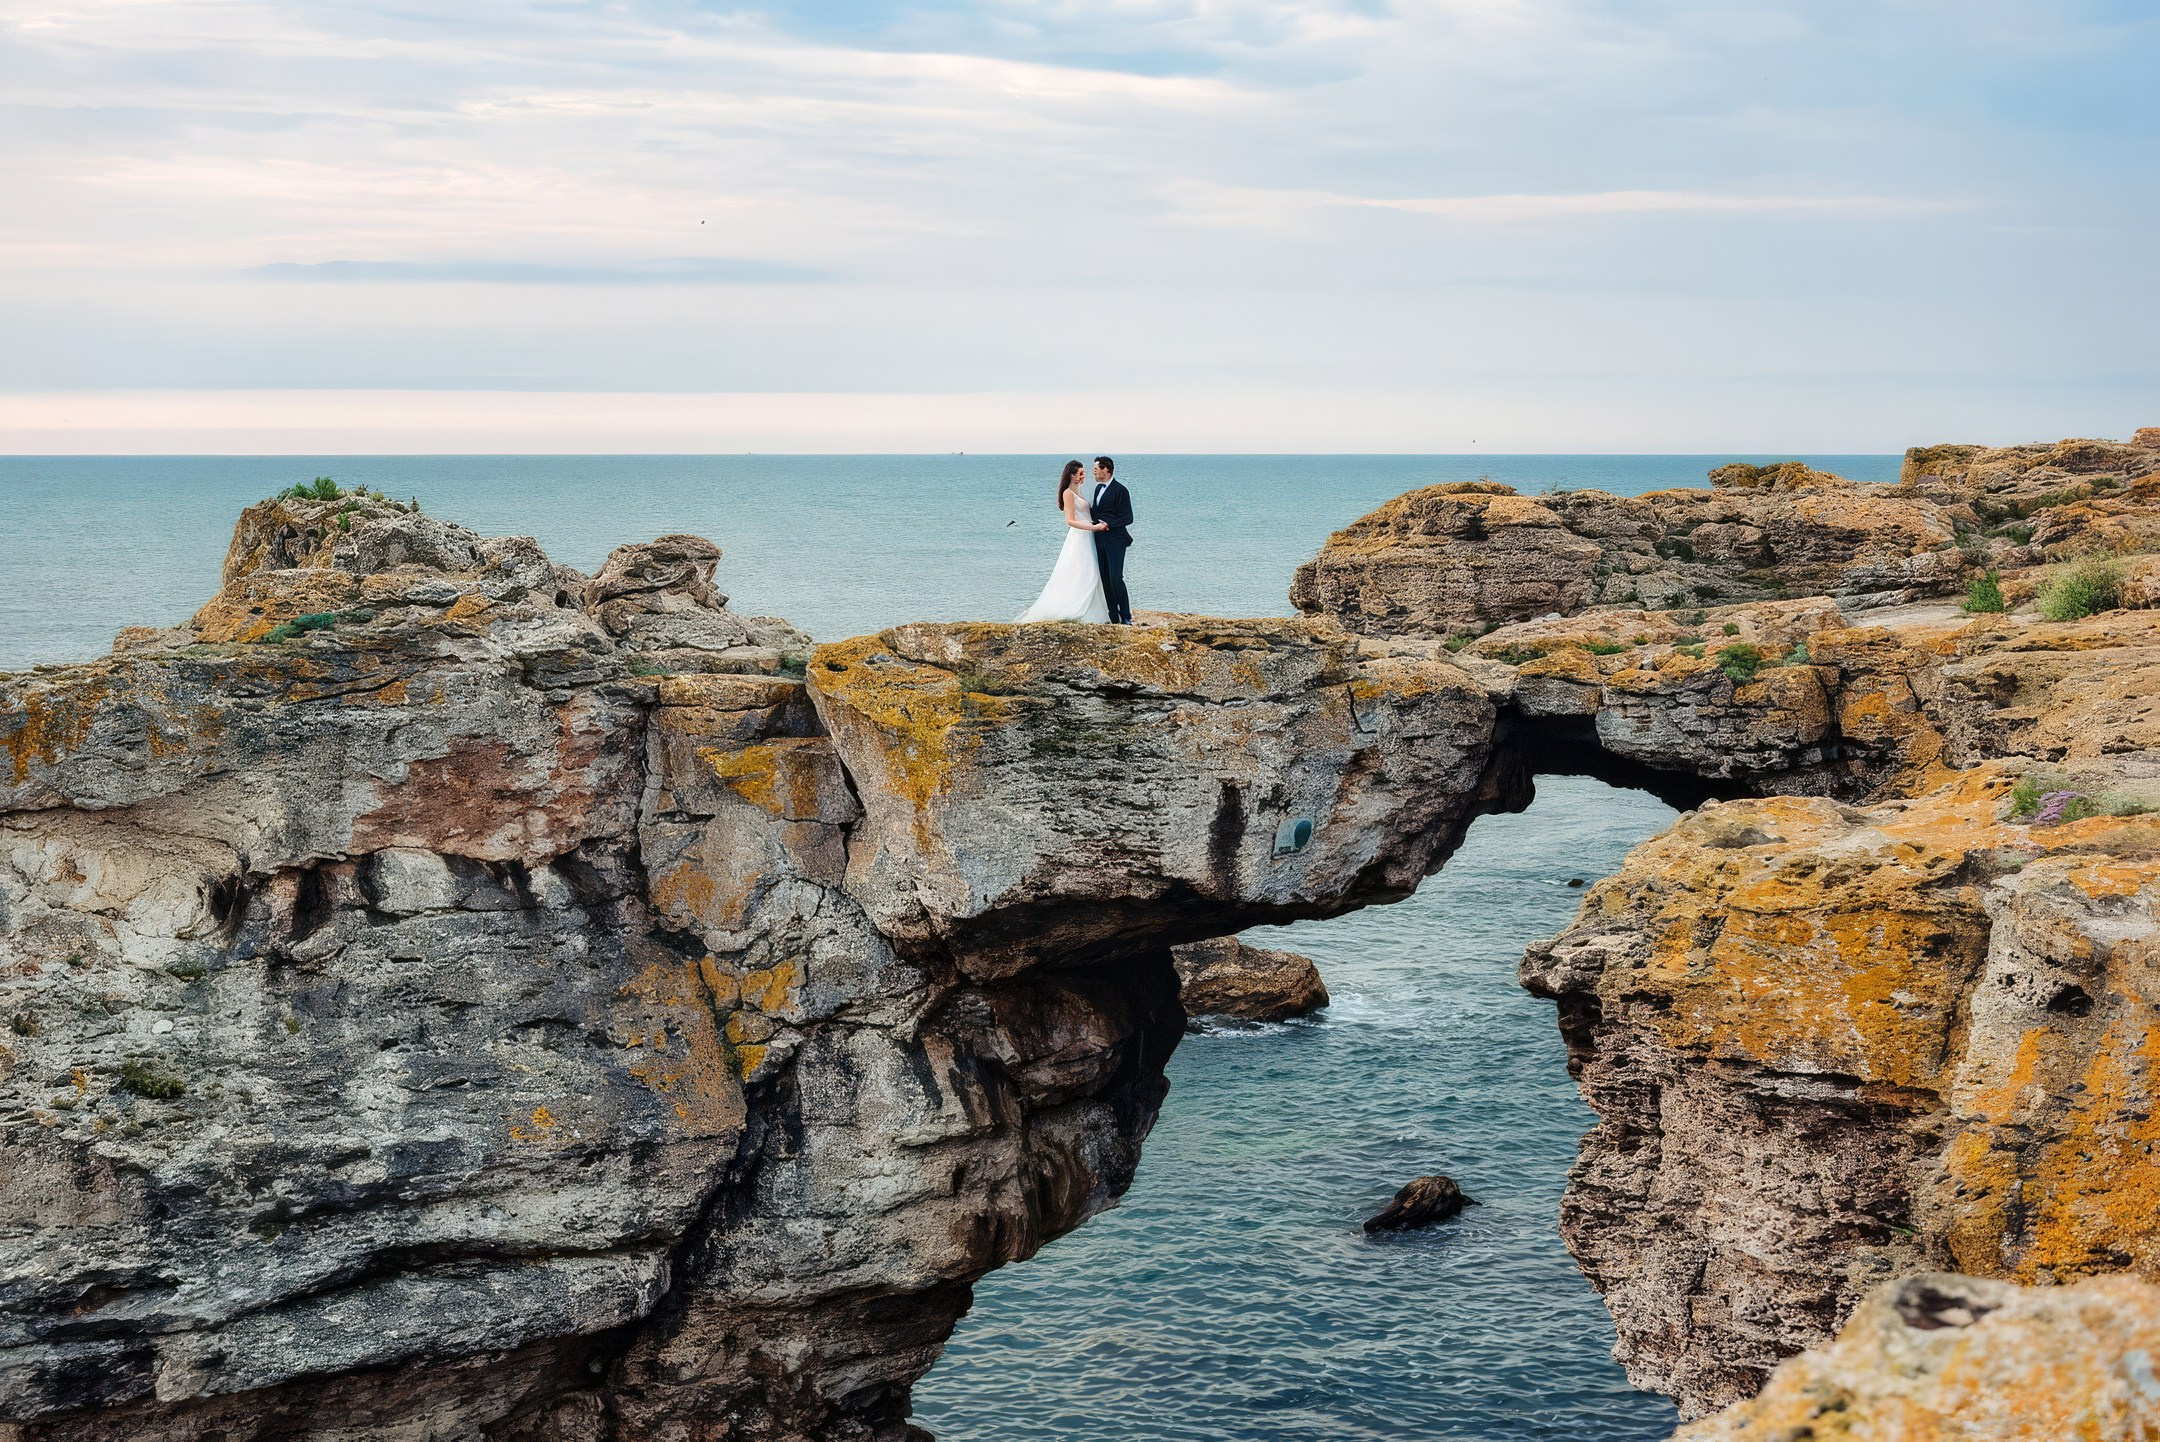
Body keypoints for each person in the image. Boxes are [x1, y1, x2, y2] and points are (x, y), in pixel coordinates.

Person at [1015, 459, 1111, 623]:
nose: (1083, 476)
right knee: (1083, 570)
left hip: (1087, 536)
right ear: (1073, 475)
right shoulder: (1068, 493)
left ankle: (1094, 609)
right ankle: (1076, 607)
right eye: (1081, 473)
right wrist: (1094, 527)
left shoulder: (1078, 493)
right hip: (1080, 537)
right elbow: (1070, 521)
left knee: (1090, 571)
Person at [1088, 456, 1134, 624]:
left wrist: (1108, 523)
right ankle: (1113, 616)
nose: (1094, 472)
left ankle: (1126, 616)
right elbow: (1097, 512)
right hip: (1099, 539)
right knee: (1105, 578)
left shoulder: (1121, 490)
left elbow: (1128, 517)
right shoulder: (1098, 489)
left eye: (1096, 469)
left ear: (1106, 469)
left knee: (1116, 578)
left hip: (1116, 540)